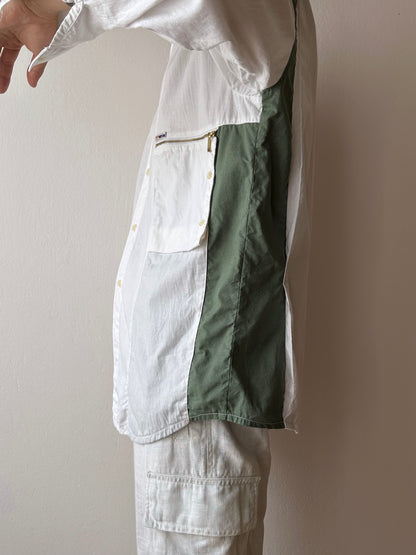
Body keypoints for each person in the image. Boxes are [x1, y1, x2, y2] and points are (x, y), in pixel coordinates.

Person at [0, 0, 317, 552]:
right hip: (177, 422)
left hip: (199, 425)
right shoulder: (210, 65)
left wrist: (49, 11)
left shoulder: (257, 19)